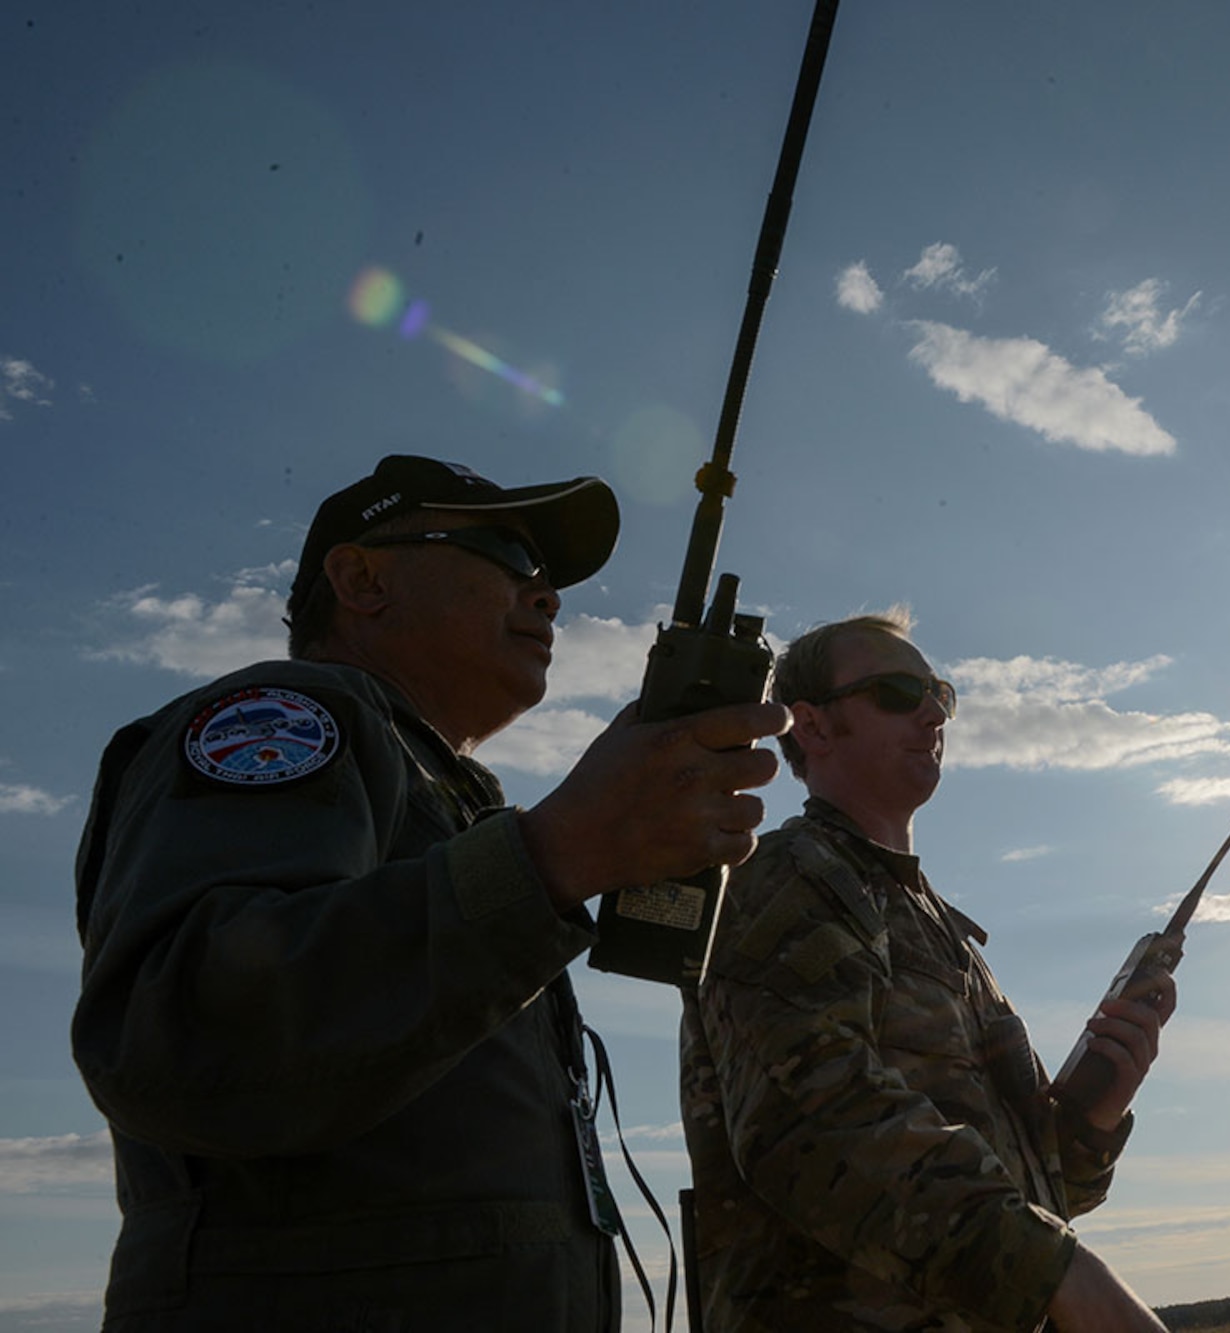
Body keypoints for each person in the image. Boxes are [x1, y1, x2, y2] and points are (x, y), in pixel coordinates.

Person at [71, 454, 790, 1331]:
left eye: (548, 575)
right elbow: (177, 1032)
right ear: (363, 577)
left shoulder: (457, 803)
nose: (546, 594)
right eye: (505, 554)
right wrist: (558, 853)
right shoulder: (288, 715)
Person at [680, 609, 1175, 1332]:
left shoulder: (944, 933)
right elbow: (814, 1127)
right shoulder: (782, 881)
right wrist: (1067, 1275)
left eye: (937, 695)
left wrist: (1095, 1115)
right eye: (894, 692)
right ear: (812, 727)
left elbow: (1032, 1194)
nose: (928, 713)